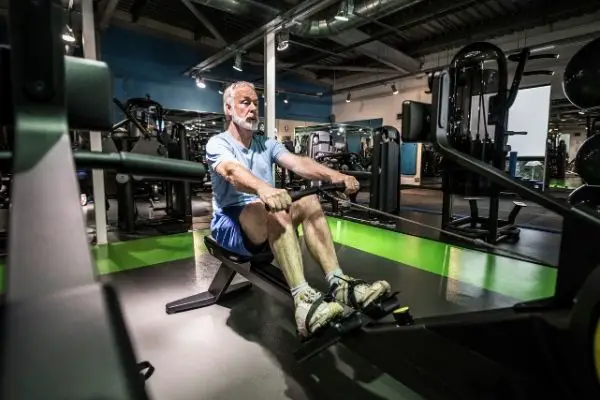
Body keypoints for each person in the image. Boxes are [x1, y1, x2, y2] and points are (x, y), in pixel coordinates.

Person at [206, 81, 391, 340]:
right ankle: (303, 301)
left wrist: (337, 177)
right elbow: (231, 171)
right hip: (231, 223)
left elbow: (299, 163)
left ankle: (338, 282)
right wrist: (263, 189)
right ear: (228, 109)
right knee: (275, 209)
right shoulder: (218, 143)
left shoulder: (265, 144)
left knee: (309, 202)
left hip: (265, 215)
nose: (252, 109)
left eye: (255, 104)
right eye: (245, 102)